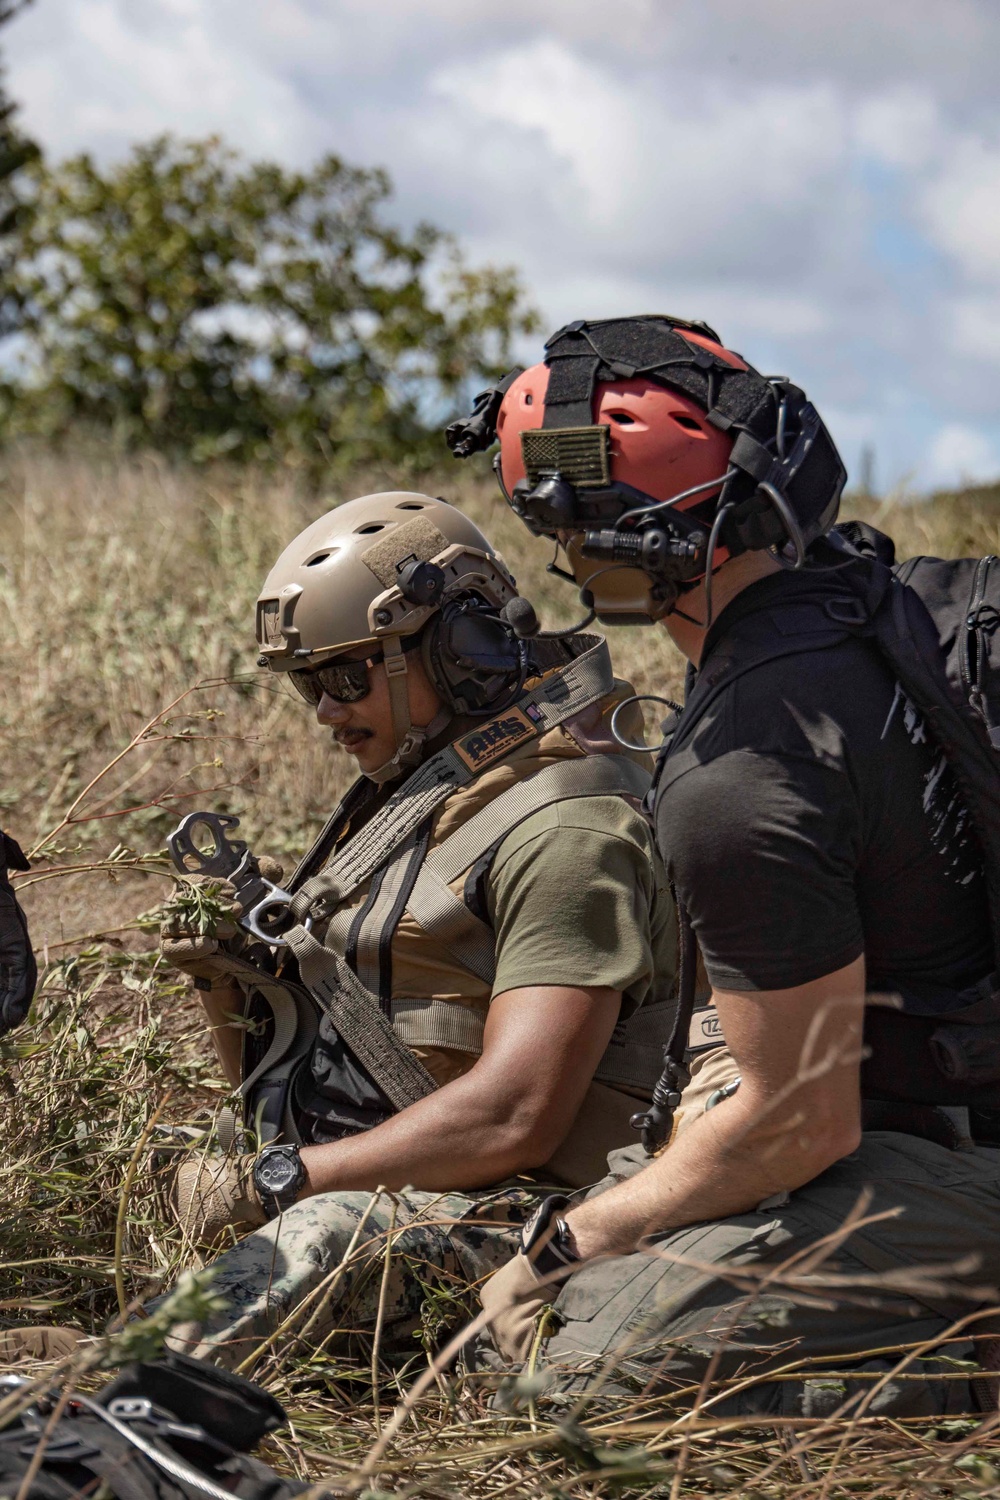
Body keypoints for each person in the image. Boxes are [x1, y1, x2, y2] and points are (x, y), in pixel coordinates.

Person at [451, 316, 1000, 1417]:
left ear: (587, 544)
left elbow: (800, 1122)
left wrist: (569, 1244)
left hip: (944, 1155)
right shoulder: (922, 603)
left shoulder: (734, 775)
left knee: (575, 1382)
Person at [158, 490, 679, 1370]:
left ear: (459, 650)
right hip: (407, 1181)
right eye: (307, 684)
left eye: (345, 677)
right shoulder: (423, 797)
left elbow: (518, 1121)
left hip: (530, 1225)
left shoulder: (564, 829)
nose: (324, 711)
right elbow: (304, 1072)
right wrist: (230, 984)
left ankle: (98, 1393)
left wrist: (278, 1183)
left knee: (321, 1230)